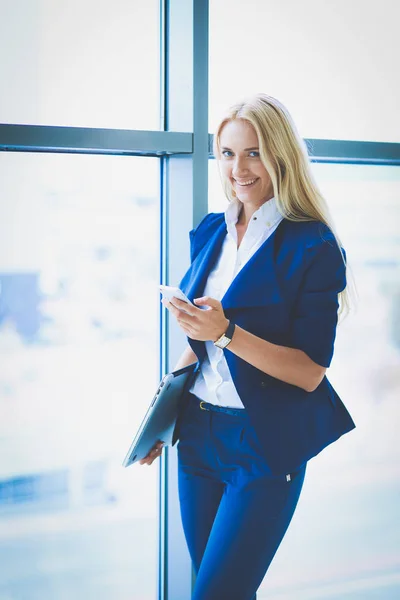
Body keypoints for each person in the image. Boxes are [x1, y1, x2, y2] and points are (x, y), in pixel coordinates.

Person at [140, 93, 356, 600]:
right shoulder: (213, 231)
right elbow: (199, 341)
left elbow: (309, 372)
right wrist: (161, 417)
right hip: (196, 436)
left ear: (281, 154)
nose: (239, 168)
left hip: (261, 445)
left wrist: (227, 332)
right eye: (228, 153)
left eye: (254, 152)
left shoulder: (314, 245)